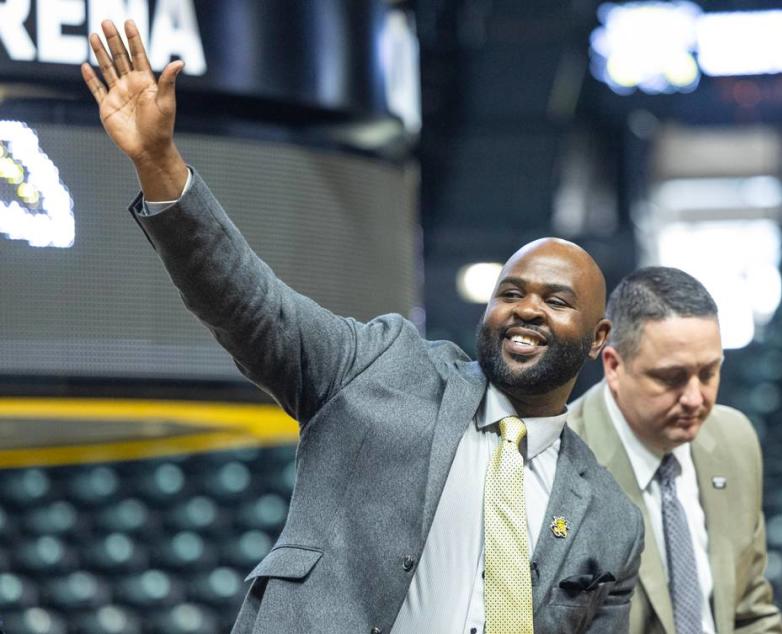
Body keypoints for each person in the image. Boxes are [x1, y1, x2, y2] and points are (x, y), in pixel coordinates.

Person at [81, 20, 644, 634]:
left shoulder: (611, 522)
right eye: (510, 292)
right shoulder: (382, 365)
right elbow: (247, 303)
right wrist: (159, 163)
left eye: (556, 300)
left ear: (598, 338)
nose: (526, 308)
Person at [568, 267, 782, 634]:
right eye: (671, 377)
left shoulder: (734, 439)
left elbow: (750, 610)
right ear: (614, 366)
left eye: (709, 373)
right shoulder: (558, 460)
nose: (695, 398)